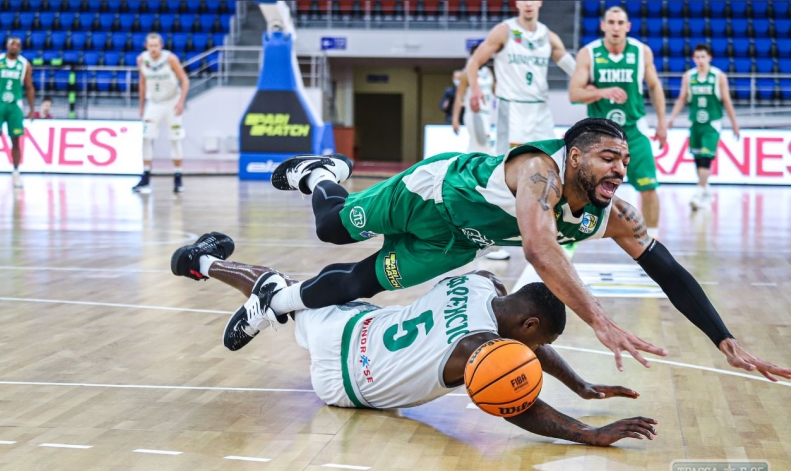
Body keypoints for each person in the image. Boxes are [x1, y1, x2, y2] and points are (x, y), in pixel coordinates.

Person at [194, 118, 791, 382]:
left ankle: (274, 300)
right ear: (575, 155)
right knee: (330, 227)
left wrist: (725, 339)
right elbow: (537, 245)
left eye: (625, 163)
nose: (619, 171)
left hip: (460, 241)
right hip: (429, 195)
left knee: (361, 283)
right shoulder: (539, 171)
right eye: (609, 159)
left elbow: (671, 272)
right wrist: (602, 321)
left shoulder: (613, 215)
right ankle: (323, 172)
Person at [171, 232, 659, 446]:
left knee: (290, 292)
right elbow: (520, 405)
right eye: (534, 344)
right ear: (528, 327)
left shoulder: (481, 282)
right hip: (344, 383)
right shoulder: (476, 351)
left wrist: (579, 385)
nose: (530, 354)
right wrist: (587, 433)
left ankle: (208, 265)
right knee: (283, 293)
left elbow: (525, 345)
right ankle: (209, 267)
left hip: (357, 328)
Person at [465, 0, 577, 261]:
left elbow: (574, 68)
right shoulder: (503, 31)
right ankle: (491, 241)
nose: (528, 3)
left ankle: (553, 234)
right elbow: (474, 62)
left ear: (539, 3)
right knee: (504, 176)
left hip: (540, 110)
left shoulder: (548, 36)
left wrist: (590, 83)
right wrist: (476, 89)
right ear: (517, 3)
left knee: (553, 170)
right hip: (511, 110)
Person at [570, 5, 666, 238]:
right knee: (581, 187)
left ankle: (652, 238)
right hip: (598, 135)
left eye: (620, 23)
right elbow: (574, 94)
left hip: (633, 130)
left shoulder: (641, 51)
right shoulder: (589, 53)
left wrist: (662, 122)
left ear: (628, 27)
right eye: (611, 22)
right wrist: (603, 92)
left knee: (649, 188)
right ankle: (572, 234)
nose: (615, 27)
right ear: (603, 26)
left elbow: (654, 85)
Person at [667, 43, 740, 210]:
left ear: (709, 58)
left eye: (703, 57)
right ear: (694, 59)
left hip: (712, 124)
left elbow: (727, 101)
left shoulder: (718, 76)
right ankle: (706, 190)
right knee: (698, 160)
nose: (700, 60)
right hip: (695, 124)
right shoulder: (688, 76)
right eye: (697, 57)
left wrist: (735, 124)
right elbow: (682, 99)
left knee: (706, 158)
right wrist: (671, 118)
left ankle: (699, 191)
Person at [132, 33, 189, 194]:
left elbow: (184, 80)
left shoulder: (170, 59)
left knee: (175, 139)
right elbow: (142, 83)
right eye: (150, 46)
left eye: (156, 46)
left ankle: (178, 178)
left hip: (172, 102)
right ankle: (145, 177)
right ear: (146, 46)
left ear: (161, 46)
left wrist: (181, 101)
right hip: (154, 103)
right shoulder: (141, 60)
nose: (153, 49)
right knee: (146, 138)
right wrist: (142, 105)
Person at [0, 37, 35, 189]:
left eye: (18, 45)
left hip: (15, 106)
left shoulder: (24, 64)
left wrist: (31, 109)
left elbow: (29, 87)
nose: (15, 47)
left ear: (21, 48)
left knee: (16, 141)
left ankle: (16, 173)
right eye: (12, 44)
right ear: (7, 45)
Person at [452, 45, 495, 155]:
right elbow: (459, 96)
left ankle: (465, 169)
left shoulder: (488, 72)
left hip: (488, 114)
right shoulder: (466, 73)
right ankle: (486, 170)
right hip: (475, 113)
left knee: (475, 146)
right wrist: (455, 118)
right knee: (484, 145)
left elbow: (495, 91)